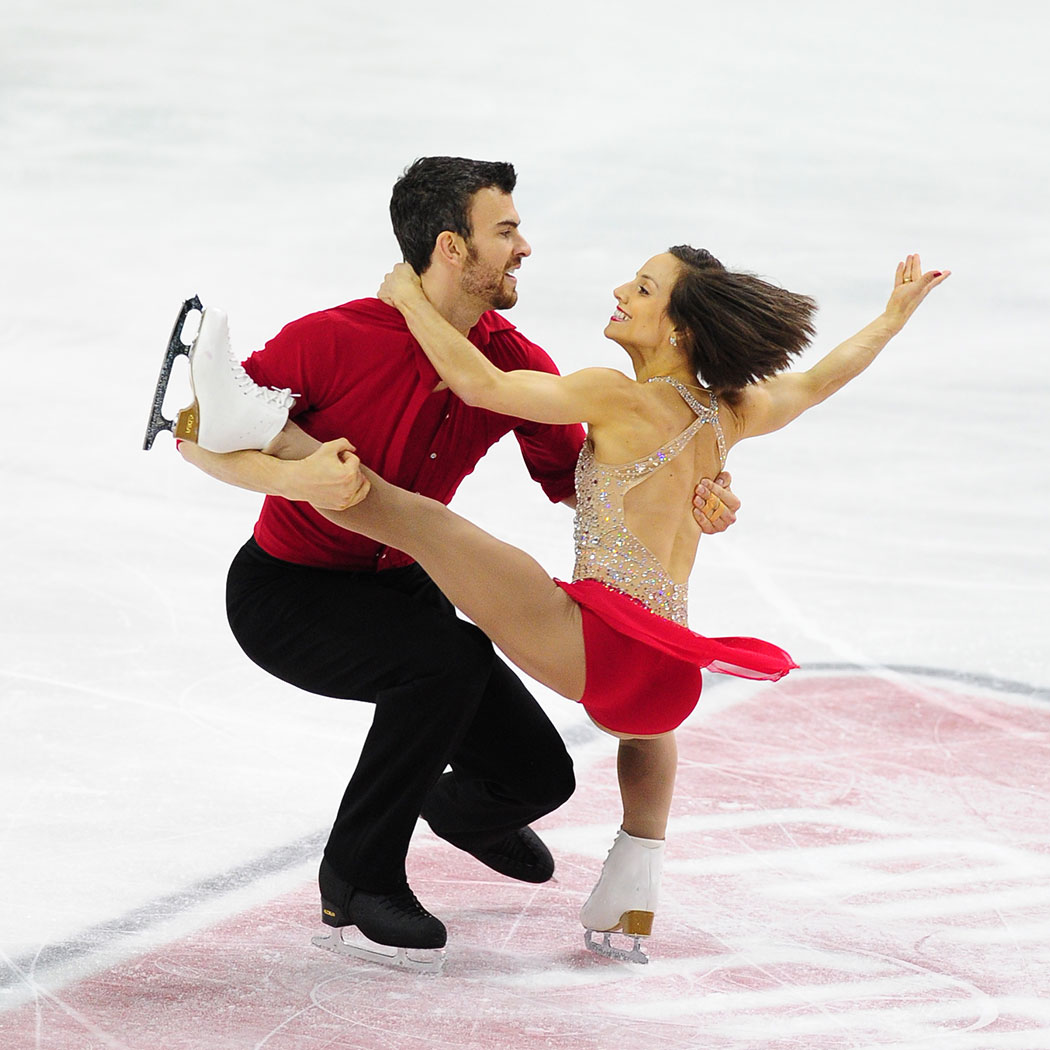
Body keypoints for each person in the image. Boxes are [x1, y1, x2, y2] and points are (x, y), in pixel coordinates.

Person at [237, 247, 948, 962]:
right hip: (665, 676)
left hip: (592, 640)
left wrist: (410, 300)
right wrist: (891, 318)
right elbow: (820, 380)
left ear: (681, 332)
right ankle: (628, 900)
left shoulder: (619, 395)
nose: (620, 291)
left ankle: (264, 424)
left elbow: (477, 383)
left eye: (642, 289)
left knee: (415, 519)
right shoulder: (735, 411)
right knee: (634, 741)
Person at [172, 156, 740, 970]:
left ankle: (466, 812)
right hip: (285, 589)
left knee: (540, 776)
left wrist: (696, 489)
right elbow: (204, 431)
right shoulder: (331, 338)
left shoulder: (515, 362)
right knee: (446, 662)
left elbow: (591, 484)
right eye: (505, 232)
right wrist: (294, 477)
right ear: (452, 247)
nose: (525, 248)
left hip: (398, 587)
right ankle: (357, 878)